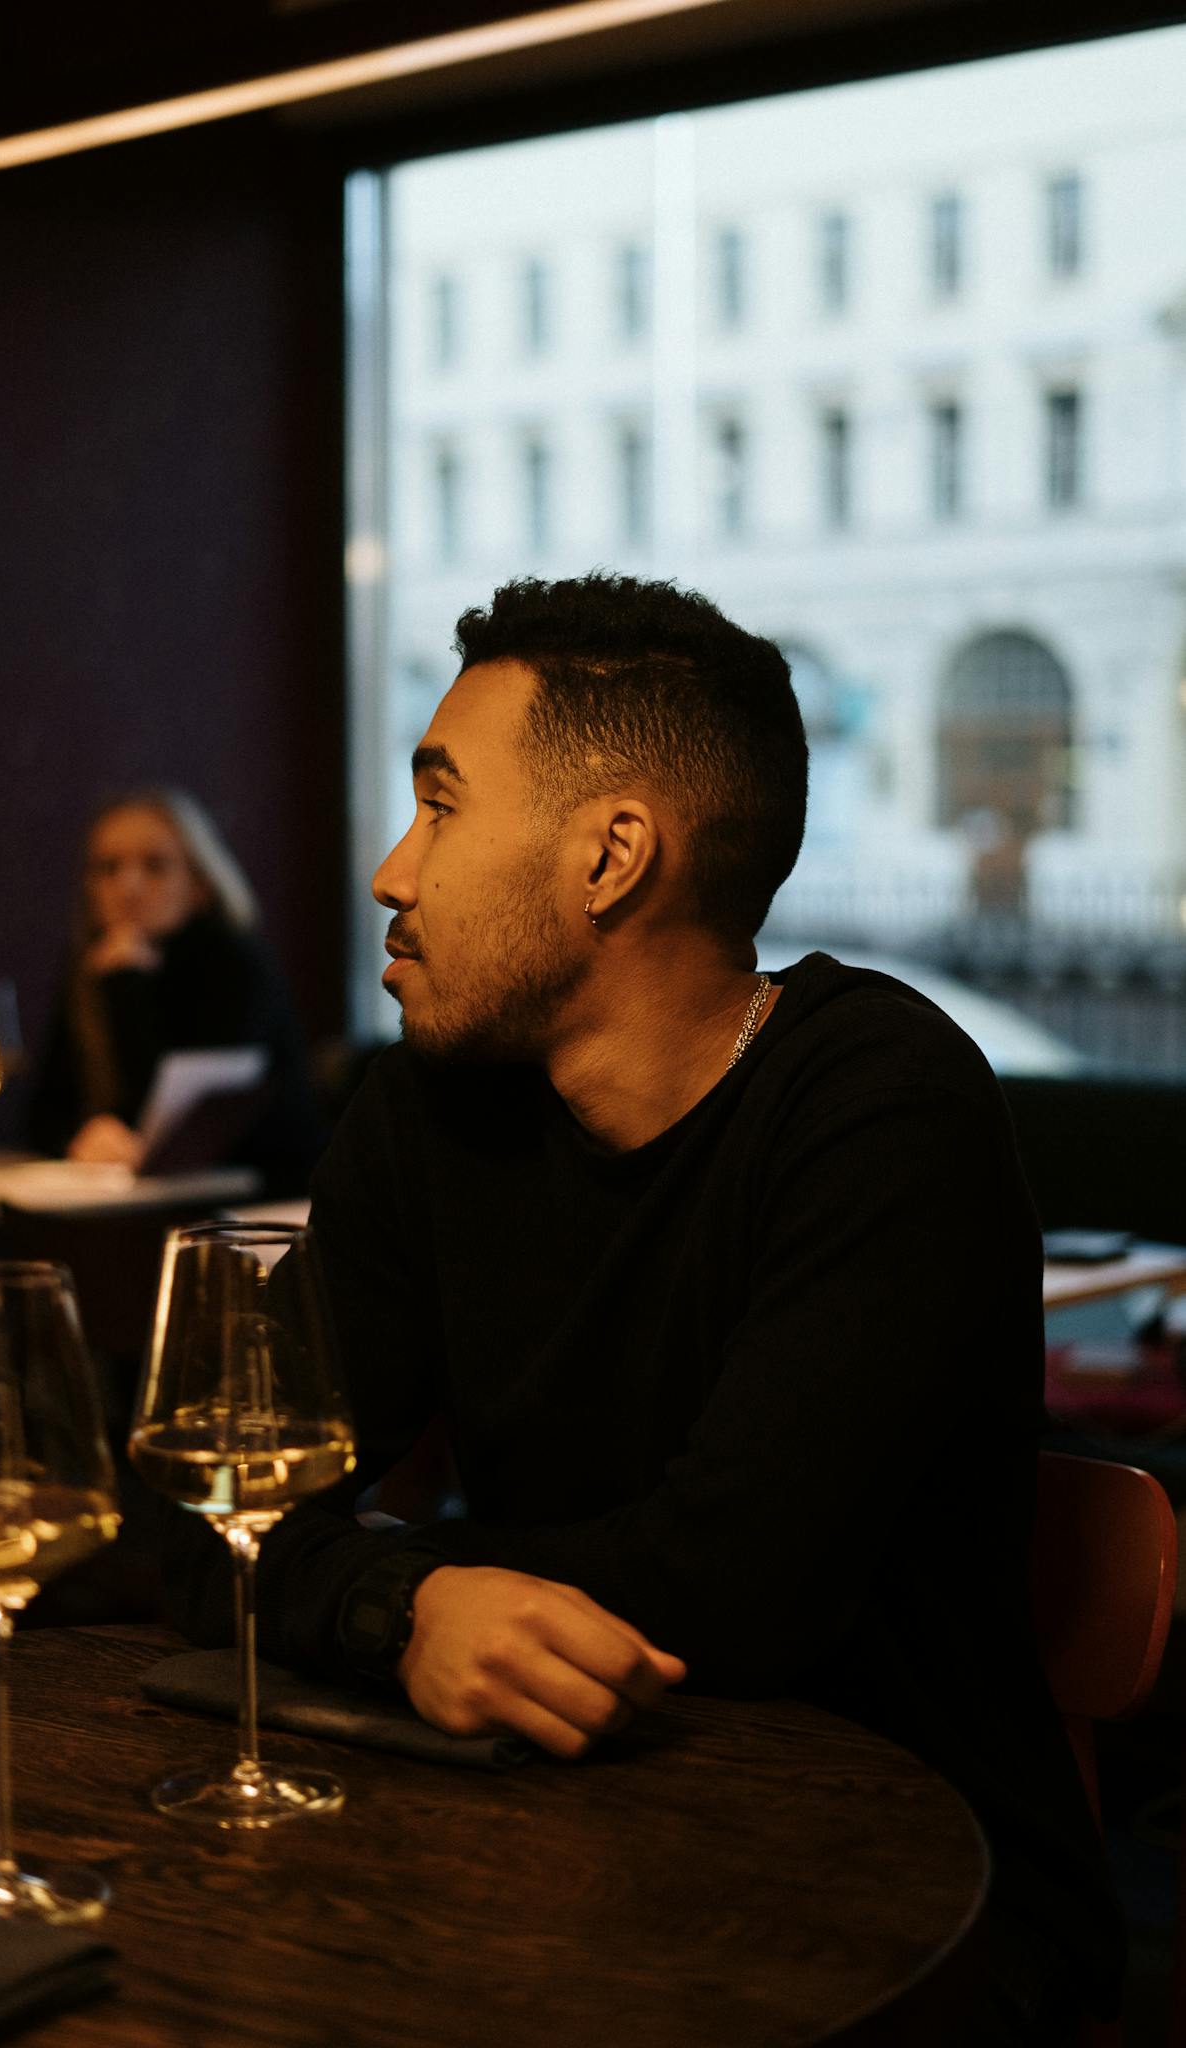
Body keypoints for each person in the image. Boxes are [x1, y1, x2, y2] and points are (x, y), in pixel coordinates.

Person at [164, 574, 1121, 2042]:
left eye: (441, 805)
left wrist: (369, 1578)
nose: (391, 871)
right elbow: (196, 1505)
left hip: (918, 1897)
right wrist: (398, 1599)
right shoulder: (432, 1109)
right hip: (532, 1844)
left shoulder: (879, 1106)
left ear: (611, 857)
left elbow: (736, 1588)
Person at [26, 788, 321, 1192]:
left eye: (155, 866)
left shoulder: (232, 961)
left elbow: (184, 1125)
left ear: (199, 883)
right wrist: (80, 1138)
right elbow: (41, 1118)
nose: (128, 886)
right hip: (126, 1201)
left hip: (256, 1199)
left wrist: (127, 986)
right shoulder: (90, 965)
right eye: (108, 868)